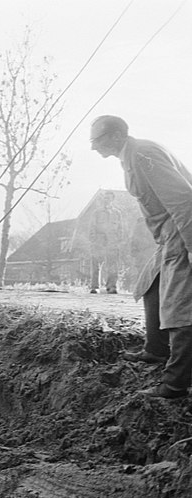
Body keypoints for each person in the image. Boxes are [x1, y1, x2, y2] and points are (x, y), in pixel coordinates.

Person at [90, 115, 192, 399]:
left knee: (179, 307)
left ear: (117, 135)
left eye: (97, 140)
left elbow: (184, 200)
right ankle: (156, 351)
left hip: (181, 229)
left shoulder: (144, 153)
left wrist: (191, 246)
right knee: (151, 285)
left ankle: (175, 385)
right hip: (167, 235)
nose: (93, 147)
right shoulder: (131, 156)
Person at [88, 190, 124, 294]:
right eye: (105, 198)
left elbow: (120, 228)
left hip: (112, 242)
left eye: (108, 198)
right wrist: (94, 239)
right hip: (99, 241)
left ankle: (111, 286)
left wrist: (118, 240)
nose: (106, 200)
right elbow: (92, 227)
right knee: (95, 265)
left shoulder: (117, 213)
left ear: (112, 199)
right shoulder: (97, 212)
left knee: (113, 265)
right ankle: (95, 286)